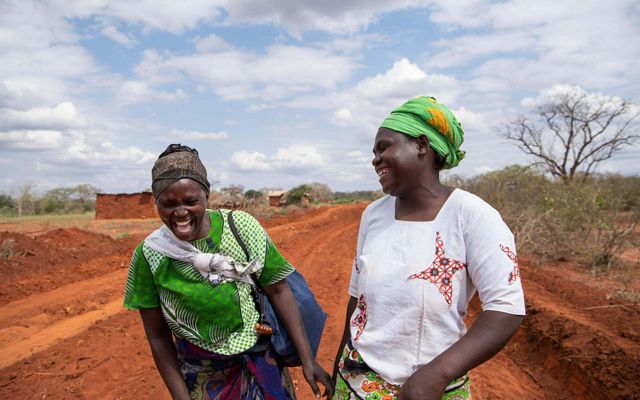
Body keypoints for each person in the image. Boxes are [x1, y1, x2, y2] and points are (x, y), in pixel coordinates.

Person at [332, 97, 525, 400]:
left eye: (384, 147)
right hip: (357, 379)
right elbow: (358, 298)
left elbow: (506, 308)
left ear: (422, 145)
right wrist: (337, 366)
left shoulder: (472, 215)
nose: (375, 159)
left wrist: (436, 375)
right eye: (374, 152)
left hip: (433, 390)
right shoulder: (373, 215)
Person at [124, 144, 334, 399]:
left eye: (191, 201)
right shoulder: (149, 254)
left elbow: (278, 290)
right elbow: (157, 336)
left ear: (206, 195)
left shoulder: (240, 227)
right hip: (202, 375)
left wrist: (308, 360)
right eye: (168, 204)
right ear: (155, 201)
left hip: (261, 363)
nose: (180, 213)